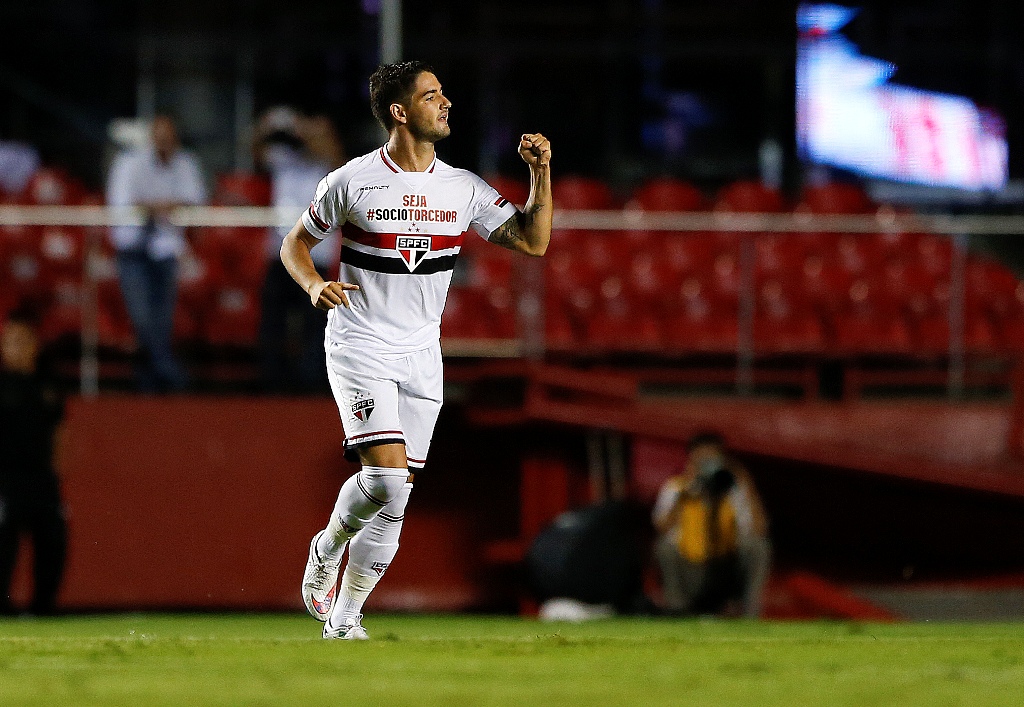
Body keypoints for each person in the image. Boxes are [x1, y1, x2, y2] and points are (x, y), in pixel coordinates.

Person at [283, 61, 552, 639]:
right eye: (431, 95)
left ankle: (346, 616)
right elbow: (294, 244)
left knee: (397, 495)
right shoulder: (351, 181)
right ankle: (327, 547)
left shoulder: (463, 188)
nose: (446, 101)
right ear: (399, 112)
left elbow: (534, 241)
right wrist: (312, 284)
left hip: (423, 352)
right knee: (385, 480)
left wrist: (540, 174)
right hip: (360, 342)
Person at [106, 114, 206, 392]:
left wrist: (153, 206)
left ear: (175, 138)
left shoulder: (186, 163)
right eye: (159, 136)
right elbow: (124, 205)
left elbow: (195, 202)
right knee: (142, 318)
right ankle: (171, 376)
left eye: (169, 137)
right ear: (152, 137)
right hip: (132, 250)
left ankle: (149, 384)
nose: (164, 142)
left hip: (167, 249)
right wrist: (165, 206)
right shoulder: (129, 163)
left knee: (162, 320)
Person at [254, 108, 346, 393]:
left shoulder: (329, 167)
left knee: (314, 321)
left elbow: (333, 153)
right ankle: (272, 380)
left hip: (315, 256)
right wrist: (269, 128)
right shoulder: (283, 159)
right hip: (281, 253)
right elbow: (256, 151)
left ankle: (312, 383)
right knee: (273, 320)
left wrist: (306, 132)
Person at [651, 432, 771, 618]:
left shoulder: (733, 488)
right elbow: (661, 528)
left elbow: (759, 529)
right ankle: (676, 611)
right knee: (664, 548)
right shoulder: (676, 486)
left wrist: (746, 483)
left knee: (758, 546)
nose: (706, 464)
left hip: (724, 568)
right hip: (690, 569)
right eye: (701, 458)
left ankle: (750, 615)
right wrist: (686, 492)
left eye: (712, 458)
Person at [0, 306, 68, 615]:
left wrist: (56, 470)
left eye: (23, 341)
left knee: (52, 540)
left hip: (41, 478)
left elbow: (59, 431)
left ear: (34, 345)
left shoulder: (47, 384)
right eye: (11, 341)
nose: (17, 348)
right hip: (6, 479)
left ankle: (44, 606)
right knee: (3, 543)